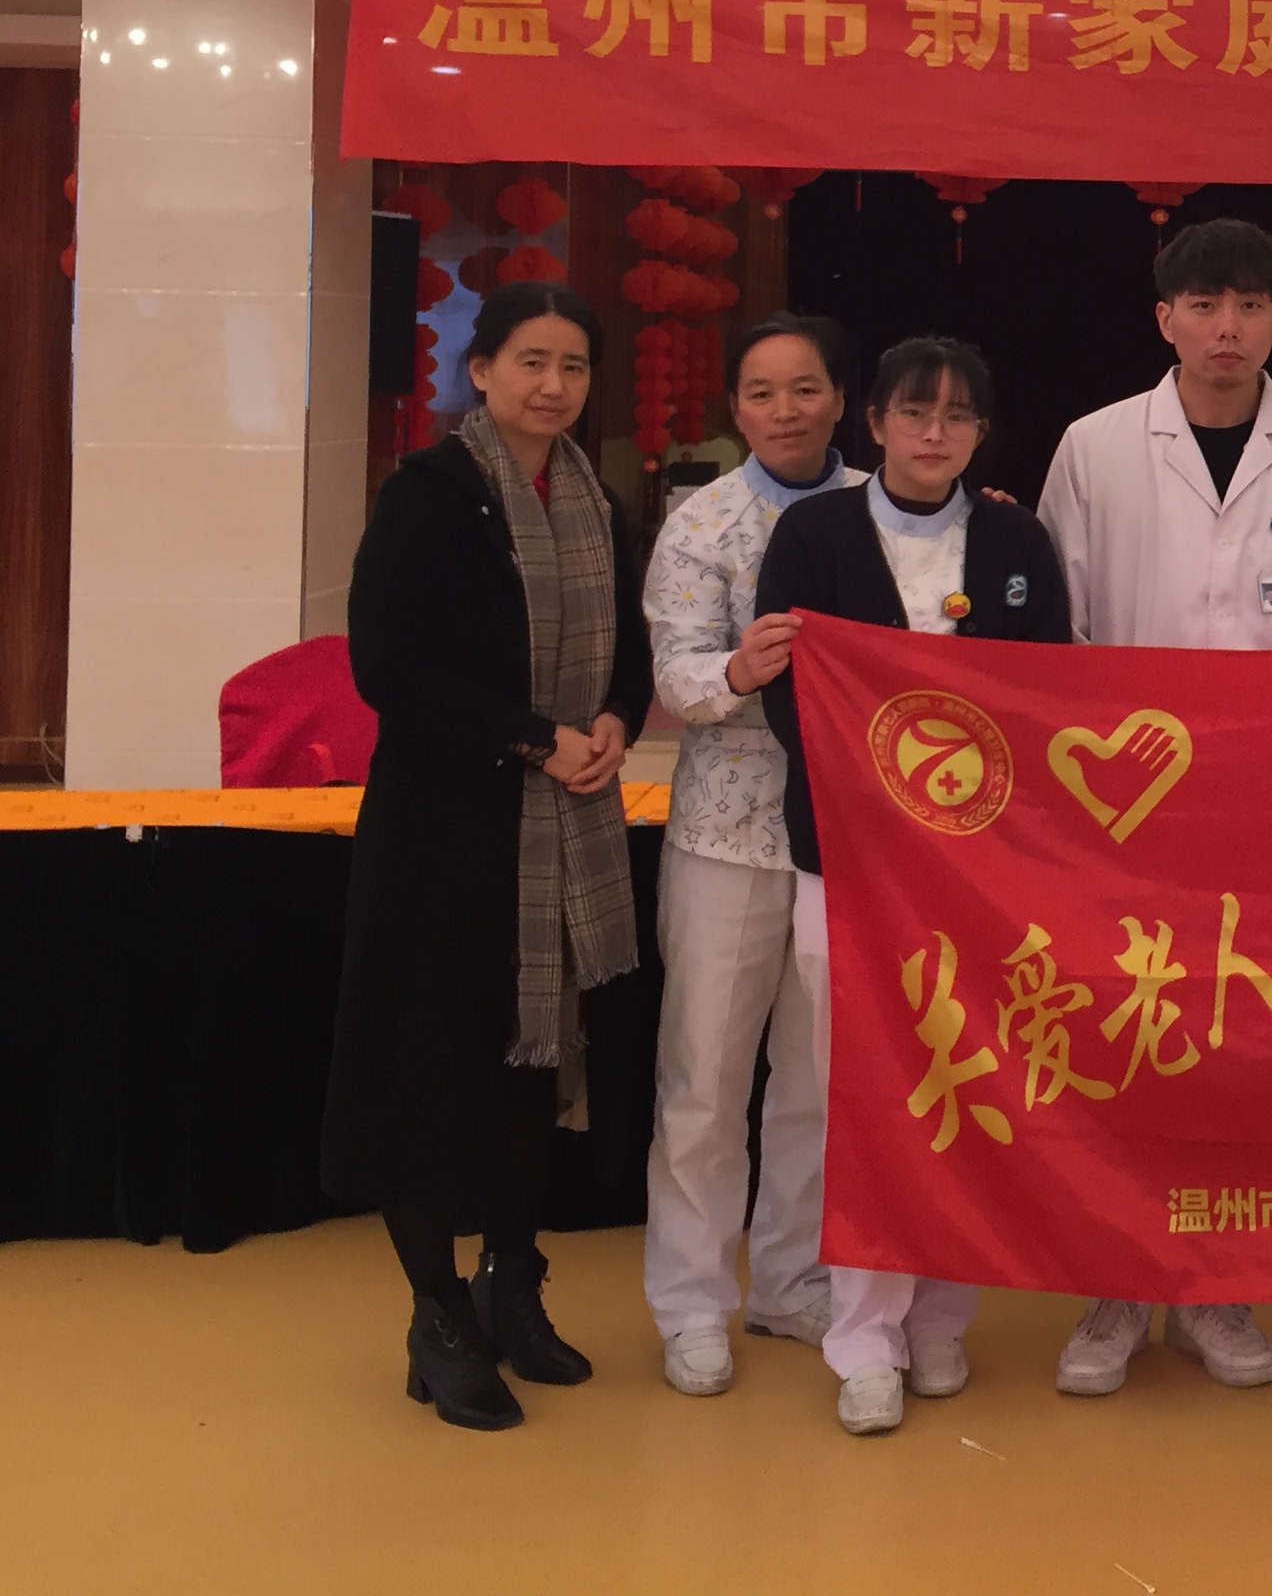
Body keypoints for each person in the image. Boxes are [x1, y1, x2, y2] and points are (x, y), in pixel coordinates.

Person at [1033, 215, 1272, 1396]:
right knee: (1127, 1043)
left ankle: (1219, 1286)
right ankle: (1117, 1287)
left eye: (1249, 305)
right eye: (1203, 305)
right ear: (1164, 319)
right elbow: (1064, 639)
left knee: (1243, 1051)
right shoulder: (1094, 448)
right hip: (1130, 810)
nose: (1226, 327)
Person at [327, 282, 653, 1434]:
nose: (552, 386)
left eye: (573, 366)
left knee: (532, 1077)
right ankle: (440, 1319)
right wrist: (530, 737)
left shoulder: (597, 501)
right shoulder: (428, 493)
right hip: (443, 840)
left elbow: (631, 650)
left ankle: (512, 1286)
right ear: (481, 371)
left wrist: (614, 718)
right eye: (530, 361)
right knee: (432, 1075)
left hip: (563, 835)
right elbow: (388, 667)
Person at [756, 335, 1072, 1437]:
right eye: (914, 412)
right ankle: (862, 1335)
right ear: (876, 422)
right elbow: (787, 694)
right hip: (848, 861)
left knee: (968, 1087)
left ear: (982, 432)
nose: (934, 434)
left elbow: (1047, 695)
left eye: (958, 416)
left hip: (978, 876)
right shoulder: (815, 536)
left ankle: (942, 1316)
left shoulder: (1018, 540)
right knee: (868, 1094)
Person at [638, 313, 865, 1398]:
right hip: (725, 837)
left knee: (818, 1085)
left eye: (806, 388)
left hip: (847, 840)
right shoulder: (702, 521)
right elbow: (674, 679)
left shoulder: (881, 509)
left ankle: (789, 1281)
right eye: (763, 393)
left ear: (840, 400)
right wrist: (739, 669)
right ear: (735, 409)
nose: (786, 411)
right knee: (705, 1081)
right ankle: (691, 1303)